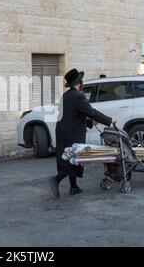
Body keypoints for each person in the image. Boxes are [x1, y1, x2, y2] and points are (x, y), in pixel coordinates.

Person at [48, 69, 115, 198]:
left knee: (68, 157)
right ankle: (56, 180)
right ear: (79, 83)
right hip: (72, 132)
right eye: (81, 82)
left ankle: (74, 187)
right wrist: (109, 120)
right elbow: (90, 112)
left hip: (62, 131)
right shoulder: (78, 96)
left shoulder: (66, 96)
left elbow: (74, 114)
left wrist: (90, 123)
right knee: (74, 157)